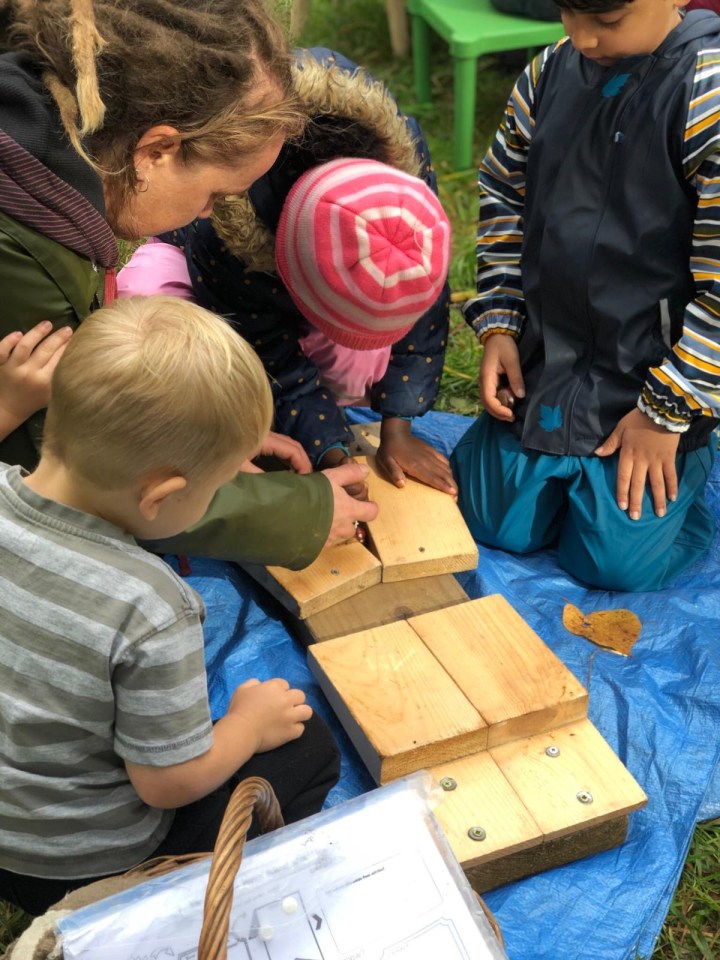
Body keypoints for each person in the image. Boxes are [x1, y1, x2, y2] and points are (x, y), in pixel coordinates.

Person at [0, 0, 377, 571]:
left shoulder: (38, 157)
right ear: (156, 151)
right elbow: (78, 472)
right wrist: (294, 512)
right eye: (214, 195)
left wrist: (203, 439)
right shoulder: (21, 249)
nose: (206, 215)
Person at [0, 296, 341, 916]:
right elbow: (166, 784)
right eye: (218, 486)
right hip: (80, 872)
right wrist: (247, 726)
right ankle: (200, 910)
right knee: (310, 747)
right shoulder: (152, 606)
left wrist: (7, 404)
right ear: (161, 496)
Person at [451, 1, 720, 592]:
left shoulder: (708, 93)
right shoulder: (547, 73)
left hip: (649, 383)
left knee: (613, 565)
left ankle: (692, 460)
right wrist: (500, 322)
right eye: (567, 12)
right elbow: (503, 192)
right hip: (548, 360)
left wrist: (667, 412)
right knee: (491, 518)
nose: (582, 39)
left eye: (608, 20)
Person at [118, 48, 457, 500]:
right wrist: (329, 451)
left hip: (305, 282)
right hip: (206, 269)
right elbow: (267, 348)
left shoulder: (401, 162)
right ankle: (236, 419)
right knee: (148, 308)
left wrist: (396, 428)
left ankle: (317, 414)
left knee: (357, 364)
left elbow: (422, 303)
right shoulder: (225, 211)